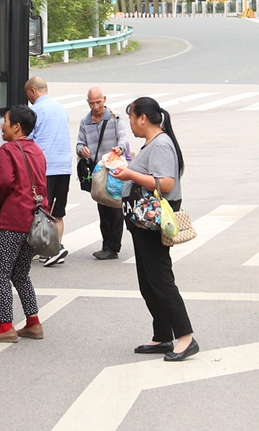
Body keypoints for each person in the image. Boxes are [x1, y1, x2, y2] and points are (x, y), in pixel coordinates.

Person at [109, 97, 198, 362]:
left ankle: (186, 337)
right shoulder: (152, 143)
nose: (131, 124)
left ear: (143, 118)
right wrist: (126, 165)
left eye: (131, 118)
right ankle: (162, 335)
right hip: (141, 221)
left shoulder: (160, 144)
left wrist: (129, 174)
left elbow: (166, 184)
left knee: (160, 279)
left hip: (152, 220)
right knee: (148, 281)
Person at [0, 105, 46, 343]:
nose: (2, 125)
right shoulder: (37, 150)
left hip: (14, 219)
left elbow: (4, 182)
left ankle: (6, 326)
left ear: (17, 127)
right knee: (21, 272)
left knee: (0, 271)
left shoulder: (8, 150)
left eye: (6, 121)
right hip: (35, 219)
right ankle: (33, 322)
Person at [76, 86, 131, 260]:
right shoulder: (85, 121)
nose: (95, 106)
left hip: (113, 167)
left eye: (98, 102)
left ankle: (112, 247)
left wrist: (120, 148)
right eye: (92, 103)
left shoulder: (115, 117)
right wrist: (82, 149)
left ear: (104, 99)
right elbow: (79, 143)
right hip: (97, 170)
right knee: (102, 206)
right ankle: (106, 244)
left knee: (114, 206)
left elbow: (123, 137)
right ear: (88, 102)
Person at [25, 76, 70, 266]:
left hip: (44, 167)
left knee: (42, 211)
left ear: (33, 91)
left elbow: (29, 139)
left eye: (28, 94)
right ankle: (54, 249)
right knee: (58, 212)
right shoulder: (61, 109)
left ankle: (53, 250)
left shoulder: (35, 111)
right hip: (64, 166)